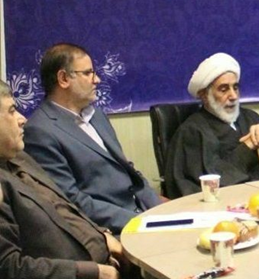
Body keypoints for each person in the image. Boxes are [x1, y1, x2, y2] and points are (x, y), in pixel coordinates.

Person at [23, 43, 162, 234]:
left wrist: (160, 212)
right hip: (108, 230)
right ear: (64, 79)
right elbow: (71, 201)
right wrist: (140, 222)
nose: (97, 79)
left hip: (143, 215)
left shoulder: (97, 116)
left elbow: (128, 171)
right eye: (88, 73)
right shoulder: (40, 131)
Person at [0, 80, 122, 279]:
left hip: (104, 254)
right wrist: (91, 272)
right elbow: (9, 269)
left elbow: (63, 206)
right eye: (12, 111)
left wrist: (100, 234)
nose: (22, 119)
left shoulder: (19, 157)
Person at [165, 53, 259, 198]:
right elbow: (212, 182)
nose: (233, 96)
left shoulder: (249, 116)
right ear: (204, 95)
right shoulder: (192, 131)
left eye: (235, 88)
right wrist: (247, 147)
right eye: (224, 89)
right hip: (231, 204)